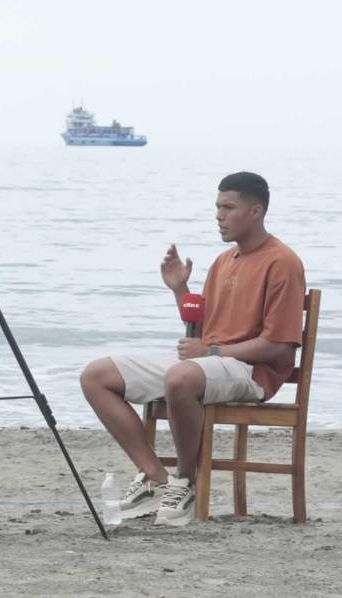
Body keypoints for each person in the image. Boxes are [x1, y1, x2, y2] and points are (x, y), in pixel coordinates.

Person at [80, 172, 305, 526]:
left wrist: (211, 353)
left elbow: (276, 347)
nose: (219, 215)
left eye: (228, 207)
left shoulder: (282, 262)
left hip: (252, 371)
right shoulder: (223, 261)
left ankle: (184, 481)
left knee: (181, 376)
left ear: (256, 211)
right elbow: (203, 331)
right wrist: (179, 290)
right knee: (96, 376)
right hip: (209, 364)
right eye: (217, 206)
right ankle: (155, 476)